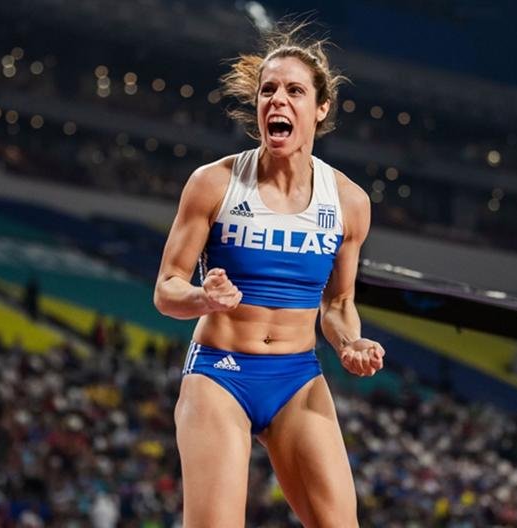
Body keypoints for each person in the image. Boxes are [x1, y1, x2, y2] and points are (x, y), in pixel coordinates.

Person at [153, 21, 385, 527]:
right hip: (220, 374)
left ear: (321, 108)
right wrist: (204, 298)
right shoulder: (214, 183)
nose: (277, 100)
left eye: (294, 91)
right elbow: (167, 290)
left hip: (296, 378)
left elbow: (338, 304)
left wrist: (350, 343)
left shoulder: (349, 202)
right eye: (268, 90)